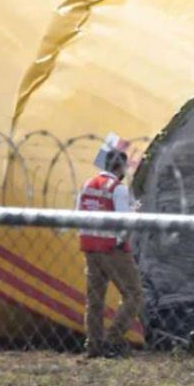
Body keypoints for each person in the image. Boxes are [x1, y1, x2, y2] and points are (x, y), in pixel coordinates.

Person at [76, 149, 143, 358]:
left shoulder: (87, 184)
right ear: (120, 167)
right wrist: (135, 213)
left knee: (95, 299)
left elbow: (79, 213)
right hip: (111, 247)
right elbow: (123, 220)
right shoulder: (118, 189)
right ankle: (113, 338)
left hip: (89, 247)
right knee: (134, 293)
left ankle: (93, 343)